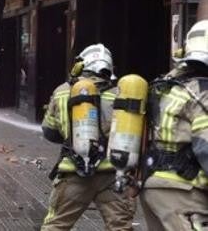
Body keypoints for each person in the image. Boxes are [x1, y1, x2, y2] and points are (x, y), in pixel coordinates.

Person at [40, 44, 135, 230]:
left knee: (56, 226)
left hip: (74, 172)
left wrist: (73, 136)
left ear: (81, 65)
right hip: (112, 174)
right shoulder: (121, 94)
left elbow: (49, 131)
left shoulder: (62, 92)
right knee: (120, 227)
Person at [140, 20, 208, 230]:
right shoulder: (203, 92)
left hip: (151, 185)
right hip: (183, 193)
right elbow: (205, 148)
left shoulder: (168, 85)